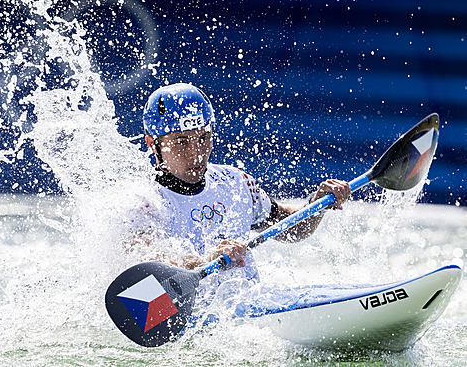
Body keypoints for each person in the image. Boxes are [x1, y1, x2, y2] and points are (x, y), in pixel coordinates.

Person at [130, 82, 350, 282]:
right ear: (152, 144)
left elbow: (293, 231)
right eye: (181, 142)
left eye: (204, 138)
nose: (196, 153)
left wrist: (317, 204)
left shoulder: (235, 183)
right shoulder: (142, 201)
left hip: (250, 316)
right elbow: (143, 260)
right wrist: (204, 261)